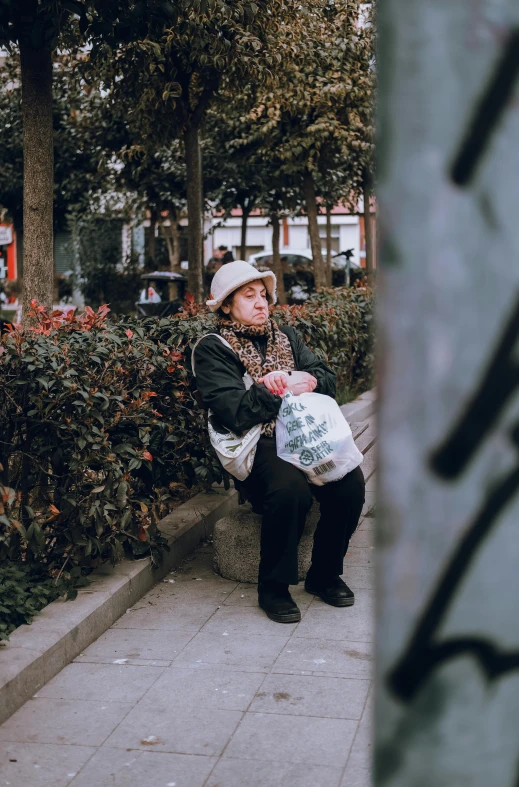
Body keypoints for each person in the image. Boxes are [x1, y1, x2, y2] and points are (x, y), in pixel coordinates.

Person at [193, 261, 365, 624]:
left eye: (263, 296)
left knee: (350, 484)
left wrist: (301, 379)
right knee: (290, 490)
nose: (261, 304)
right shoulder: (214, 349)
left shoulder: (286, 336)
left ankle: (324, 575)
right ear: (225, 305)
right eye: (248, 296)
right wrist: (282, 385)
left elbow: (325, 378)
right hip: (256, 445)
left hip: (302, 436)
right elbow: (235, 413)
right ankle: (273, 587)